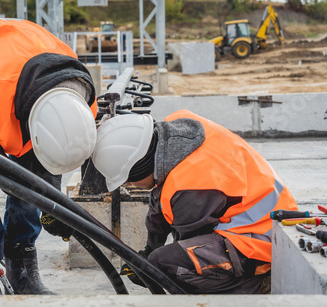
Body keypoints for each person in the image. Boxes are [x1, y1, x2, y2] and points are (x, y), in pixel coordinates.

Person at [0, 19, 97, 295]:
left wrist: (50, 202)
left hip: (24, 86)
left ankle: (21, 260)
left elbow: (53, 161)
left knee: (32, 184)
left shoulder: (82, 102)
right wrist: (15, 181)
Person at [91, 110, 298, 294]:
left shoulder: (190, 187)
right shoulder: (177, 132)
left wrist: (151, 270)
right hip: (261, 216)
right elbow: (159, 203)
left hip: (261, 245)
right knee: (157, 256)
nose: (130, 185)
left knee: (169, 263)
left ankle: (255, 284)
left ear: (140, 166)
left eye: (129, 179)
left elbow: (189, 248)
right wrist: (147, 253)